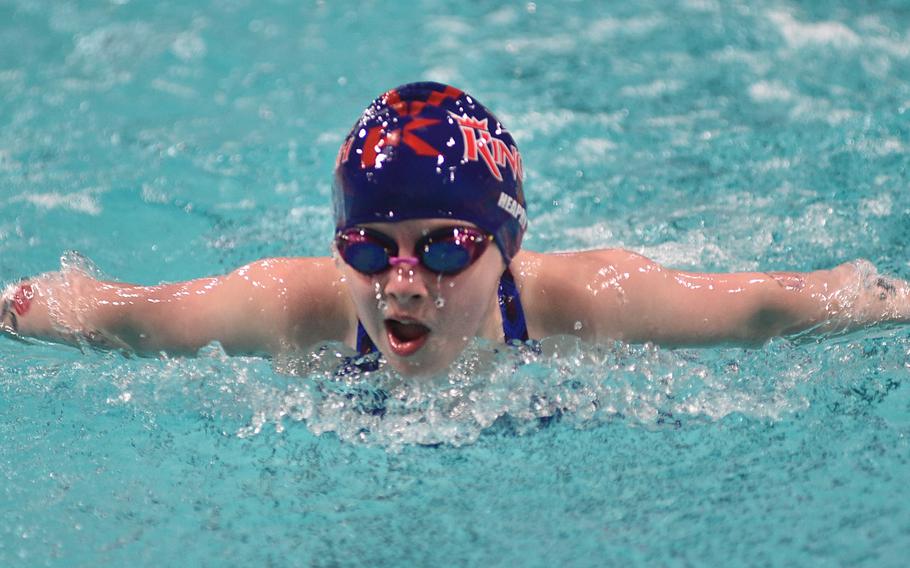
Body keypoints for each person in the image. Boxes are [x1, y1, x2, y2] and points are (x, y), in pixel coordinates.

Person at [2, 82, 908, 377]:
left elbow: (769, 307)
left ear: (505, 244)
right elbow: (127, 312)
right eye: (371, 247)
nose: (402, 282)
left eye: (443, 245)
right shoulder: (289, 307)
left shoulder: (591, 299)